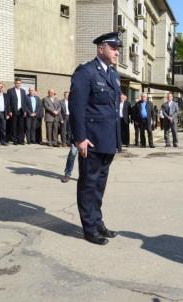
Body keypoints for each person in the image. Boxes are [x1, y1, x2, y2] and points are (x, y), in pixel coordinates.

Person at [69, 31, 122, 245]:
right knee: (88, 184)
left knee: (99, 185)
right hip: (90, 140)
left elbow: (112, 110)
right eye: (113, 48)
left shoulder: (113, 74)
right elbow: (77, 108)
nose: (117, 52)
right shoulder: (86, 72)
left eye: (118, 48)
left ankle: (97, 221)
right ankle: (89, 228)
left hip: (108, 140)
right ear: (101, 48)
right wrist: (79, 138)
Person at [6, 78, 27, 145]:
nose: (18, 84)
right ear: (15, 83)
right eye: (17, 83)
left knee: (21, 126)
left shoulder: (23, 91)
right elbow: (8, 102)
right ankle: (15, 140)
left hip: (21, 111)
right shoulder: (10, 91)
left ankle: (21, 140)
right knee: (14, 126)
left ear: (21, 84)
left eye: (19, 83)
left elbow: (24, 102)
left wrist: (25, 111)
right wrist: (9, 111)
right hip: (13, 111)